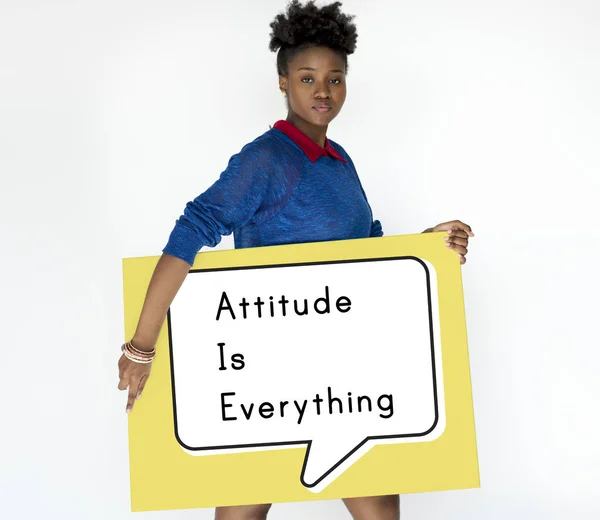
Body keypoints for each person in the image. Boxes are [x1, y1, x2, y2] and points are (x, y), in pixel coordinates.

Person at [117, 1, 474, 518]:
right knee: (243, 512)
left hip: (344, 377)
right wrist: (142, 346)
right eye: (307, 78)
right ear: (283, 82)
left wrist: (428, 248)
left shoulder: (339, 160)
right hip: (266, 375)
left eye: (335, 79)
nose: (322, 92)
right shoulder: (265, 160)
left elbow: (363, 256)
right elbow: (191, 231)